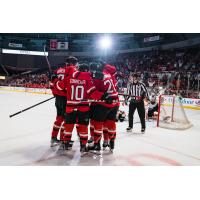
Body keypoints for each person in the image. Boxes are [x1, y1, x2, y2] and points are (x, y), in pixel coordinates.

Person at [55, 62, 106, 155]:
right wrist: (104, 96)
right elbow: (93, 93)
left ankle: (66, 143)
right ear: (87, 70)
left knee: (69, 126)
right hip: (83, 108)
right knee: (83, 127)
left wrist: (56, 80)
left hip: (70, 107)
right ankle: (83, 146)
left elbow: (59, 86)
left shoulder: (69, 77)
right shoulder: (88, 79)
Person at [89, 62, 119, 152]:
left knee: (97, 124)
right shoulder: (108, 73)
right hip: (115, 102)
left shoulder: (95, 77)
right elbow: (113, 70)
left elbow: (92, 92)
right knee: (111, 124)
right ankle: (111, 143)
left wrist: (101, 96)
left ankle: (96, 144)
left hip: (103, 104)